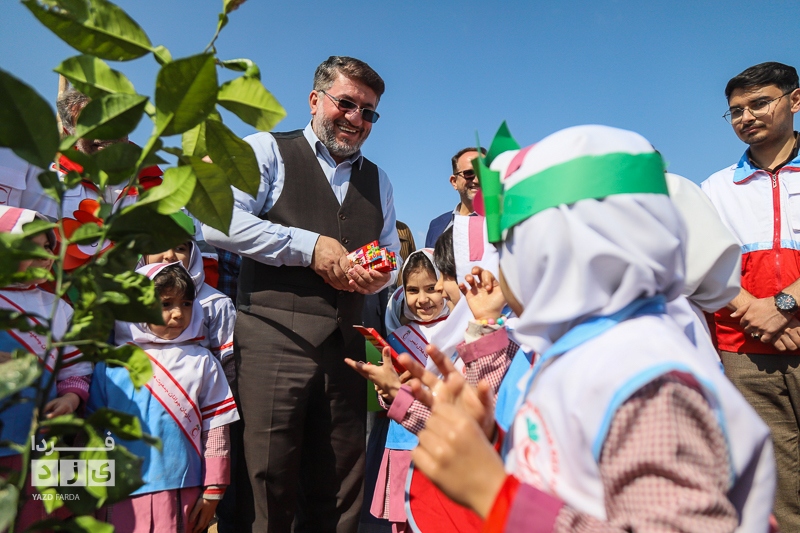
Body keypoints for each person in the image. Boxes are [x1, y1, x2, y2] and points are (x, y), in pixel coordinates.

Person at [403, 125, 776, 532]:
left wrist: (494, 494)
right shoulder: (584, 352)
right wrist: (491, 440)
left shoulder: (644, 382)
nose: (499, 269)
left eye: (505, 249)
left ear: (549, 252)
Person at [203, 55, 400, 533]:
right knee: (267, 477)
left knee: (340, 483)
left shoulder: (380, 181)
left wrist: (380, 276)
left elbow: (391, 253)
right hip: (273, 340)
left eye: (368, 112)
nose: (356, 118)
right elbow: (217, 221)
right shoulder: (266, 150)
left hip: (347, 350)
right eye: (346, 103)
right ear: (315, 100)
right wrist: (307, 247)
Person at [701, 61, 800, 530]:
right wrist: (756, 314)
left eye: (759, 103)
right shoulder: (715, 188)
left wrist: (782, 306)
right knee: (775, 485)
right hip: (744, 352)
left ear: (795, 100)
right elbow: (703, 266)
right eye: (736, 111)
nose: (746, 117)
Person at [89, 263, 239, 533]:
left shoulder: (203, 362)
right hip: (117, 492)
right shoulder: (111, 365)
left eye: (186, 303)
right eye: (166, 304)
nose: (178, 313)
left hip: (182, 490)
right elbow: (91, 434)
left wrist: (214, 488)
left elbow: (216, 428)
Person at [0, 206, 92, 531]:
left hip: (39, 444)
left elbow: (75, 370)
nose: (45, 257)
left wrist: (70, 400)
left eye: (48, 247)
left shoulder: (58, 310)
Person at [424, 147, 485, 248]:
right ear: (454, 182)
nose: (477, 180)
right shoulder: (436, 225)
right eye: (469, 173)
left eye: (483, 173)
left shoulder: (504, 222)